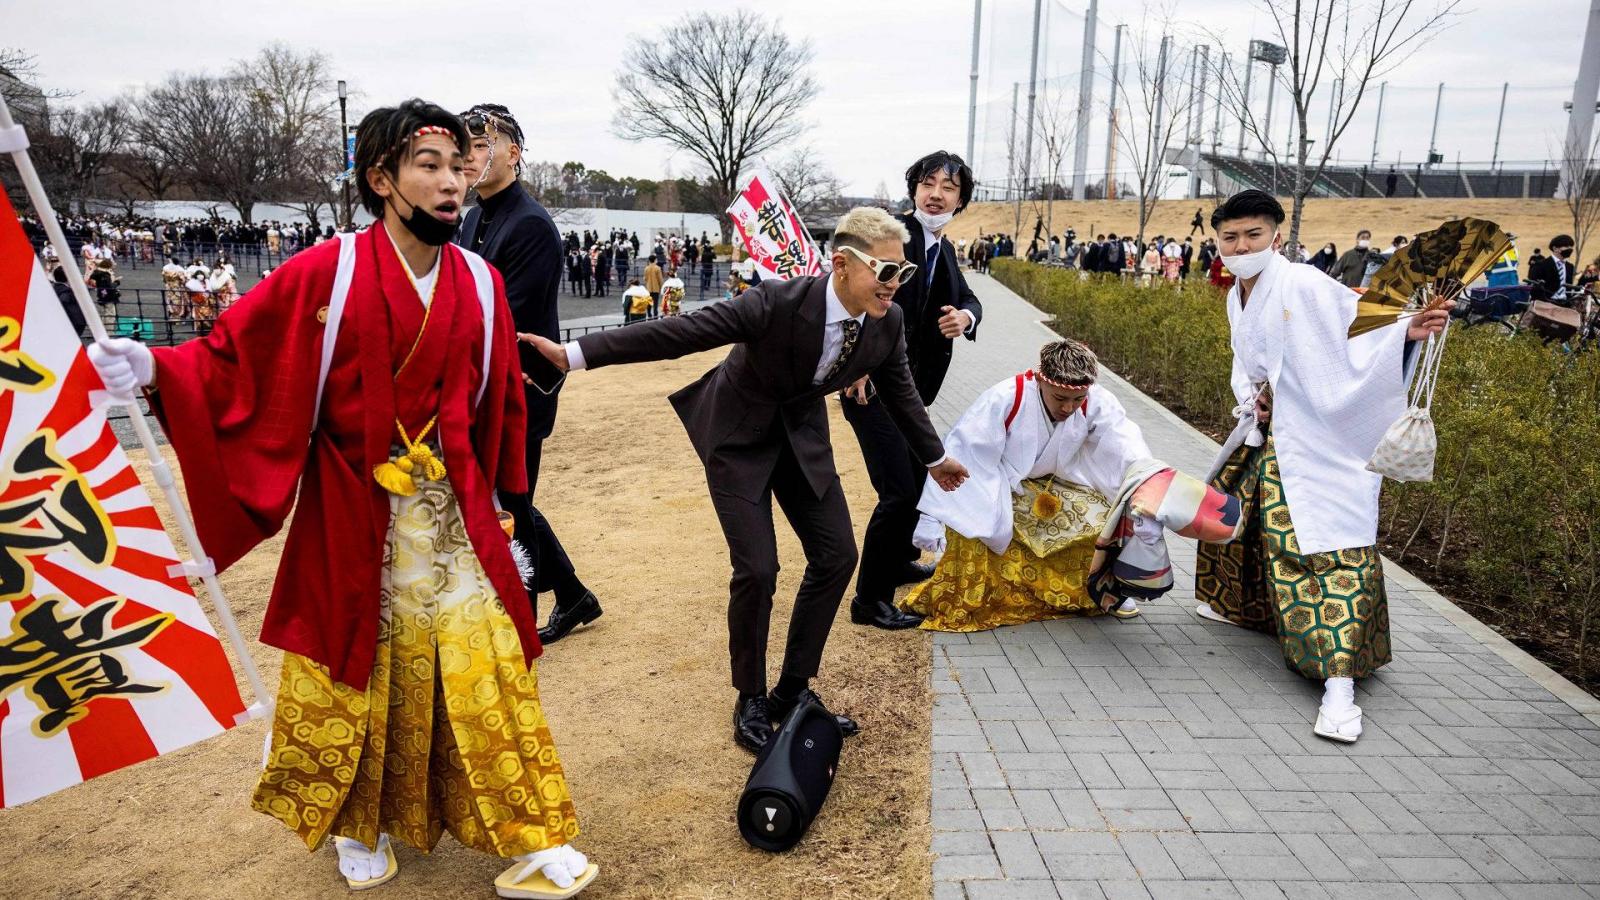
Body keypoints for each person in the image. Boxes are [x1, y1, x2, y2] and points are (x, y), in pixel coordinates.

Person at [87, 100, 595, 897]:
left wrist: (501, 495)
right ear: (381, 179)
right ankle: (360, 823)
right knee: (355, 672)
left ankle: (534, 835)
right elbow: (236, 358)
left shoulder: (482, 281)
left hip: (451, 514)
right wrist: (154, 371)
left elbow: (495, 401)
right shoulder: (331, 270)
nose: (451, 180)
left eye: (458, 164)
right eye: (428, 164)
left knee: (489, 666)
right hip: (353, 509)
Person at [522, 207, 970, 754]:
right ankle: (750, 697)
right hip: (739, 438)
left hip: (801, 439)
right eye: (885, 271)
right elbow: (682, 333)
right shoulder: (776, 303)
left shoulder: (888, 322)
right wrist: (572, 354)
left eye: (905, 273)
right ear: (843, 265)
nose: (895, 285)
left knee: (836, 557)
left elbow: (900, 391)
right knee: (758, 569)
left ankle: (792, 691)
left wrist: (935, 458)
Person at [1193, 190, 1450, 745]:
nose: (1241, 247)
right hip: (1272, 431)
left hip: (1319, 440)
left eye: (1252, 235)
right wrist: (1255, 398)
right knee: (1232, 507)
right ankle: (1258, 612)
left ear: (1276, 237)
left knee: (1322, 546)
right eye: (1230, 238)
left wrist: (1407, 329)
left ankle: (1339, 681)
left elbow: (1358, 323)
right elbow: (1248, 363)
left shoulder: (1304, 282)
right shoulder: (1238, 296)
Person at [456, 102, 603, 646]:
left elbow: (505, 317)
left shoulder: (534, 225)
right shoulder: (471, 218)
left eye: (478, 145)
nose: (468, 157)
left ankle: (521, 617)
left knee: (512, 499)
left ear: (512, 152)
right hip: (479, 383)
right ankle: (572, 595)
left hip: (520, 384)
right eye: (462, 146)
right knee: (508, 497)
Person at [903, 339, 1159, 629]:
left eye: (1077, 399)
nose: (1069, 407)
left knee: (1105, 519)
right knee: (976, 530)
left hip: (1060, 482)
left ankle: (1105, 591)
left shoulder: (1098, 401)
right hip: (1003, 484)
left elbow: (1128, 449)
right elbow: (965, 454)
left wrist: (1145, 502)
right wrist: (931, 517)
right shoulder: (1004, 398)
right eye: (1059, 397)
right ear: (1040, 380)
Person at [842, 152, 984, 630]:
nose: (937, 193)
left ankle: (899, 560)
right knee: (899, 493)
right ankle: (869, 601)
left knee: (916, 484)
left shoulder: (942, 247)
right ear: (914, 188)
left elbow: (968, 297)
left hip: (911, 391)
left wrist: (965, 318)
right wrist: (855, 362)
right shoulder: (890, 236)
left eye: (949, 187)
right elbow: (852, 295)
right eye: (928, 182)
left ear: (960, 199)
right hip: (872, 388)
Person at [1528, 234, 1576, 303]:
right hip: (1547, 304)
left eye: (1571, 246)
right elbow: (1534, 288)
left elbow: (1568, 287)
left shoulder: (1570, 267)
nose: (1570, 249)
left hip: (1565, 304)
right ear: (1555, 248)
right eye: (1566, 246)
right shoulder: (1541, 265)